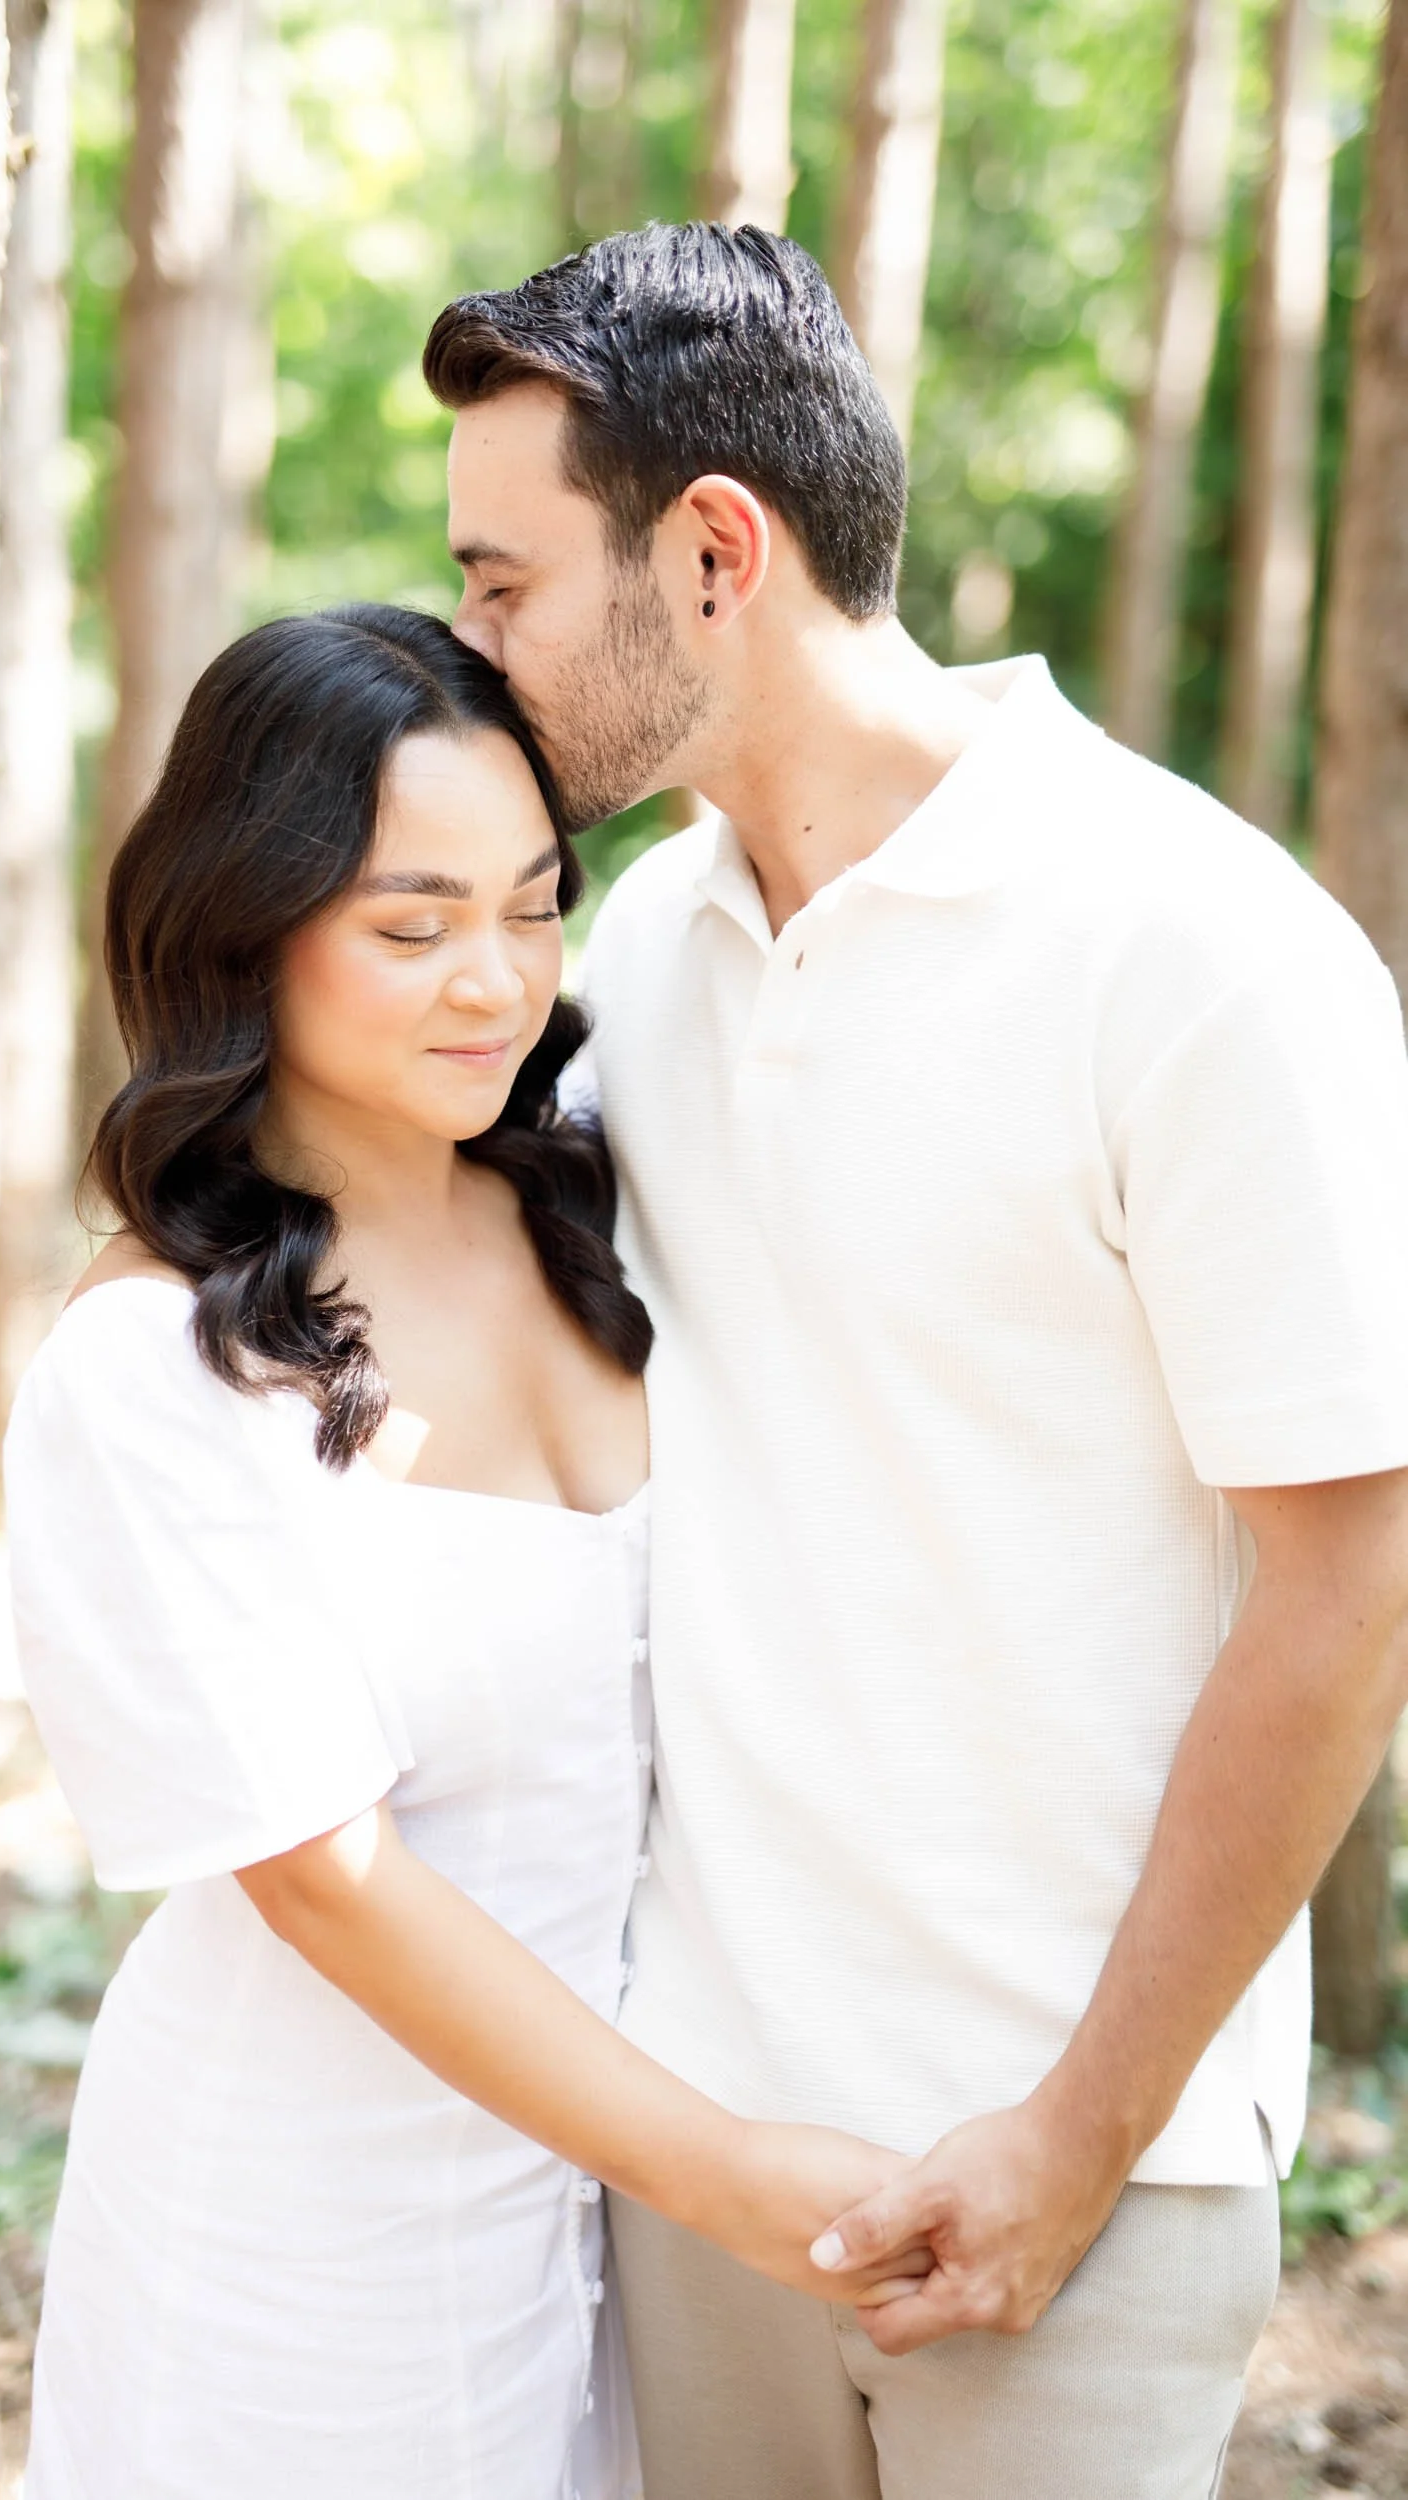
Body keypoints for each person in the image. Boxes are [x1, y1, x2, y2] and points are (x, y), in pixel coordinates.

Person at [423, 222, 1408, 2499]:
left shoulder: (1200, 949)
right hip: (696, 2142)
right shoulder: (624, 960)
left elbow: (1347, 1584)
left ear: (710, 550)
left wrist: (1079, 2130)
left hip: (1074, 2172)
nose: (468, 658)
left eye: (502, 586)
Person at [3, 606, 917, 2500]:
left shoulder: (596, 1180)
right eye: (410, 928)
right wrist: (715, 2170)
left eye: (528, 905)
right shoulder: (148, 1364)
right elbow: (322, 1878)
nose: (492, 982)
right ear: (243, 935)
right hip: (301, 2233)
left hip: (610, 2213)